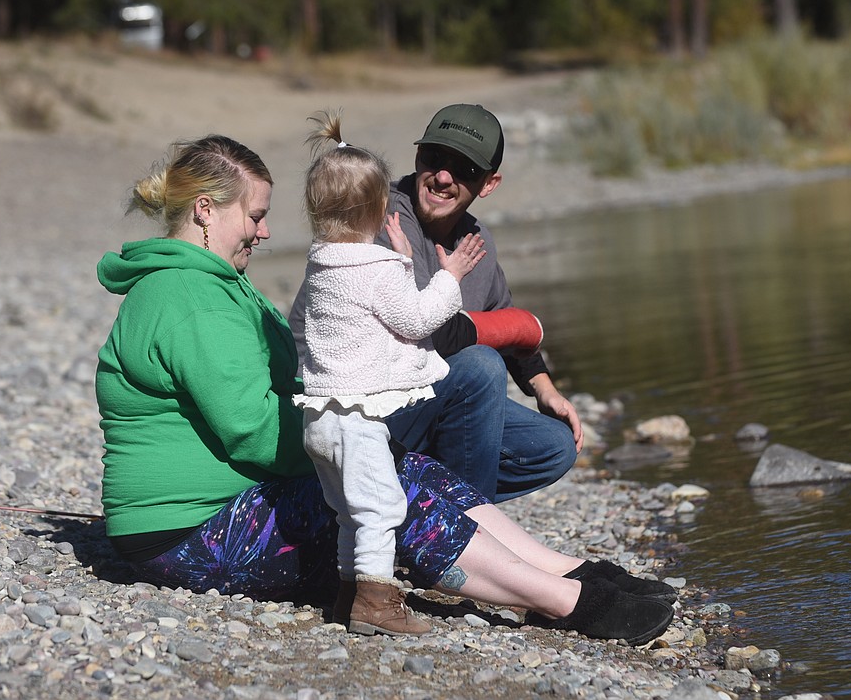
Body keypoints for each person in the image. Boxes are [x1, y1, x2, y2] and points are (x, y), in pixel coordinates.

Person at [94, 133, 676, 647]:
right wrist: (355, 452)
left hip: (219, 509)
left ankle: (565, 571)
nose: (265, 230)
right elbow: (251, 430)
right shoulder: (186, 297)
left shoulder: (216, 286)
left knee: (401, 466)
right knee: (384, 484)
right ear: (204, 210)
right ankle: (564, 603)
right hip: (184, 531)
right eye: (255, 216)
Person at [289, 103, 581, 503]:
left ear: (490, 183)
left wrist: (543, 387)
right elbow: (427, 328)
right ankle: (465, 534)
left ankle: (422, 506)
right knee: (480, 367)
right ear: (417, 155)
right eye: (434, 158)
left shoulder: (477, 242)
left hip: (418, 393)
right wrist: (513, 326)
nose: (443, 176)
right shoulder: (377, 217)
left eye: (465, 170)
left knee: (553, 447)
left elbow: (501, 318)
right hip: (356, 406)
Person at [293, 112, 485, 635]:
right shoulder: (374, 269)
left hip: (319, 419)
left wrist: (400, 258)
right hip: (358, 421)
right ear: (381, 210)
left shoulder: (322, 264)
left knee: (348, 513)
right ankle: (377, 605)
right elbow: (415, 317)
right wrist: (449, 279)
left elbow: (324, 315)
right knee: (381, 508)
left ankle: (347, 595)